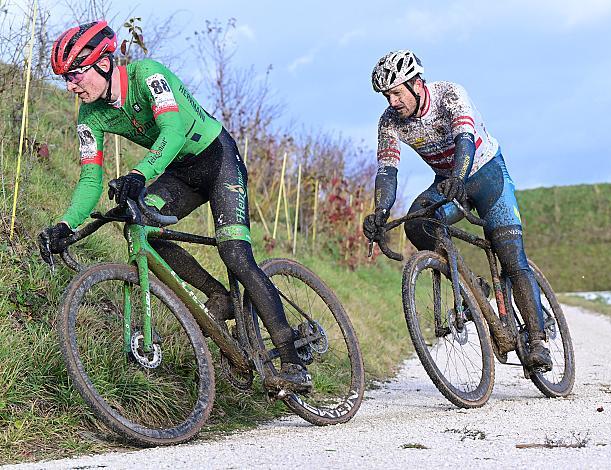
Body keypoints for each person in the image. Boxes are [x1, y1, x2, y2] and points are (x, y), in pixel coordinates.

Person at [43, 20, 311, 392]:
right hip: (178, 171)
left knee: (235, 253)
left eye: (75, 74)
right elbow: (90, 178)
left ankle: (292, 360)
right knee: (142, 227)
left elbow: (172, 132)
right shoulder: (90, 115)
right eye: (65, 78)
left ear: (104, 63)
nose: (71, 85)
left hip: (217, 159)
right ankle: (218, 295)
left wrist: (139, 173)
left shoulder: (148, 75)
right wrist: (65, 225)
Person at [363, 50, 552, 371]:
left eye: (396, 92)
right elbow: (387, 170)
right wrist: (380, 211)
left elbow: (465, 138)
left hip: (486, 175)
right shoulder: (389, 121)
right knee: (418, 224)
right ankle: (471, 283)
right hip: (449, 181)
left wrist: (459, 177)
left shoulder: (449, 94)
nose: (392, 101)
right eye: (386, 95)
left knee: (510, 256)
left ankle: (537, 341)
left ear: (416, 83)